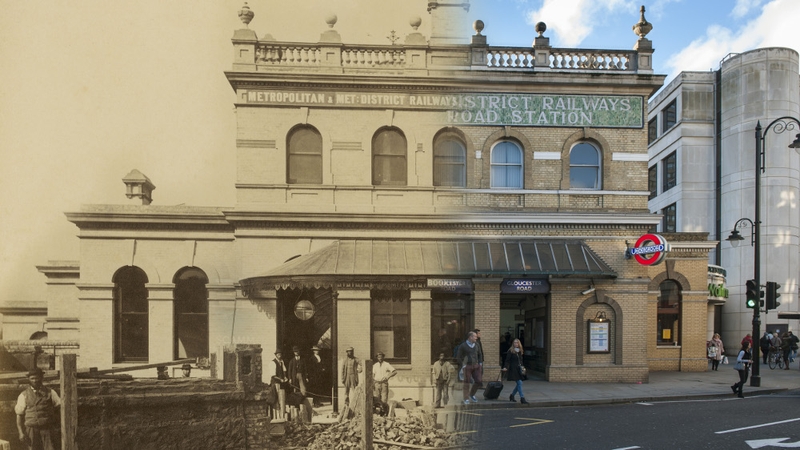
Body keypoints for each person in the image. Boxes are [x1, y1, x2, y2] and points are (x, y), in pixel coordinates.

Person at [16, 368, 61, 450]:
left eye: (37, 378)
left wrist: (57, 426)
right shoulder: (23, 395)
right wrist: (20, 432)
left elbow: (59, 408)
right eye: (32, 378)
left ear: (41, 378)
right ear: (29, 379)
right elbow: (19, 415)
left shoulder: (51, 392)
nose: (35, 380)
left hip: (47, 428)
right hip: (31, 429)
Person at [456, 331, 483, 405]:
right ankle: (466, 398)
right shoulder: (463, 346)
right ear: (470, 337)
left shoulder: (477, 344)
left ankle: (471, 394)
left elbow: (480, 354)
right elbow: (458, 357)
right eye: (475, 336)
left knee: (478, 381)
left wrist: (480, 363)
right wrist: (463, 365)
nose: (476, 338)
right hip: (467, 366)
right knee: (466, 383)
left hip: (476, 365)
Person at [501, 338, 529, 404]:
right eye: (514, 343)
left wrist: (523, 368)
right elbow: (507, 360)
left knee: (520, 383)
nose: (515, 344)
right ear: (513, 344)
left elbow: (521, 361)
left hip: (519, 369)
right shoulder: (510, 351)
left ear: (519, 344)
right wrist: (505, 367)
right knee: (519, 383)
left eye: (517, 343)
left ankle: (512, 395)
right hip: (513, 369)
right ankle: (522, 398)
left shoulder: (520, 351)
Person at [271, 350, 289, 418]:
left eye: (280, 354)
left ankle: (282, 414)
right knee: (277, 399)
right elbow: (273, 375)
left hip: (281, 383)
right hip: (276, 383)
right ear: (276, 355)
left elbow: (284, 370)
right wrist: (280, 379)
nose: (279, 355)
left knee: (282, 398)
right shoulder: (273, 363)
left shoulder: (282, 362)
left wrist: (285, 377)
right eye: (278, 354)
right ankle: (277, 416)